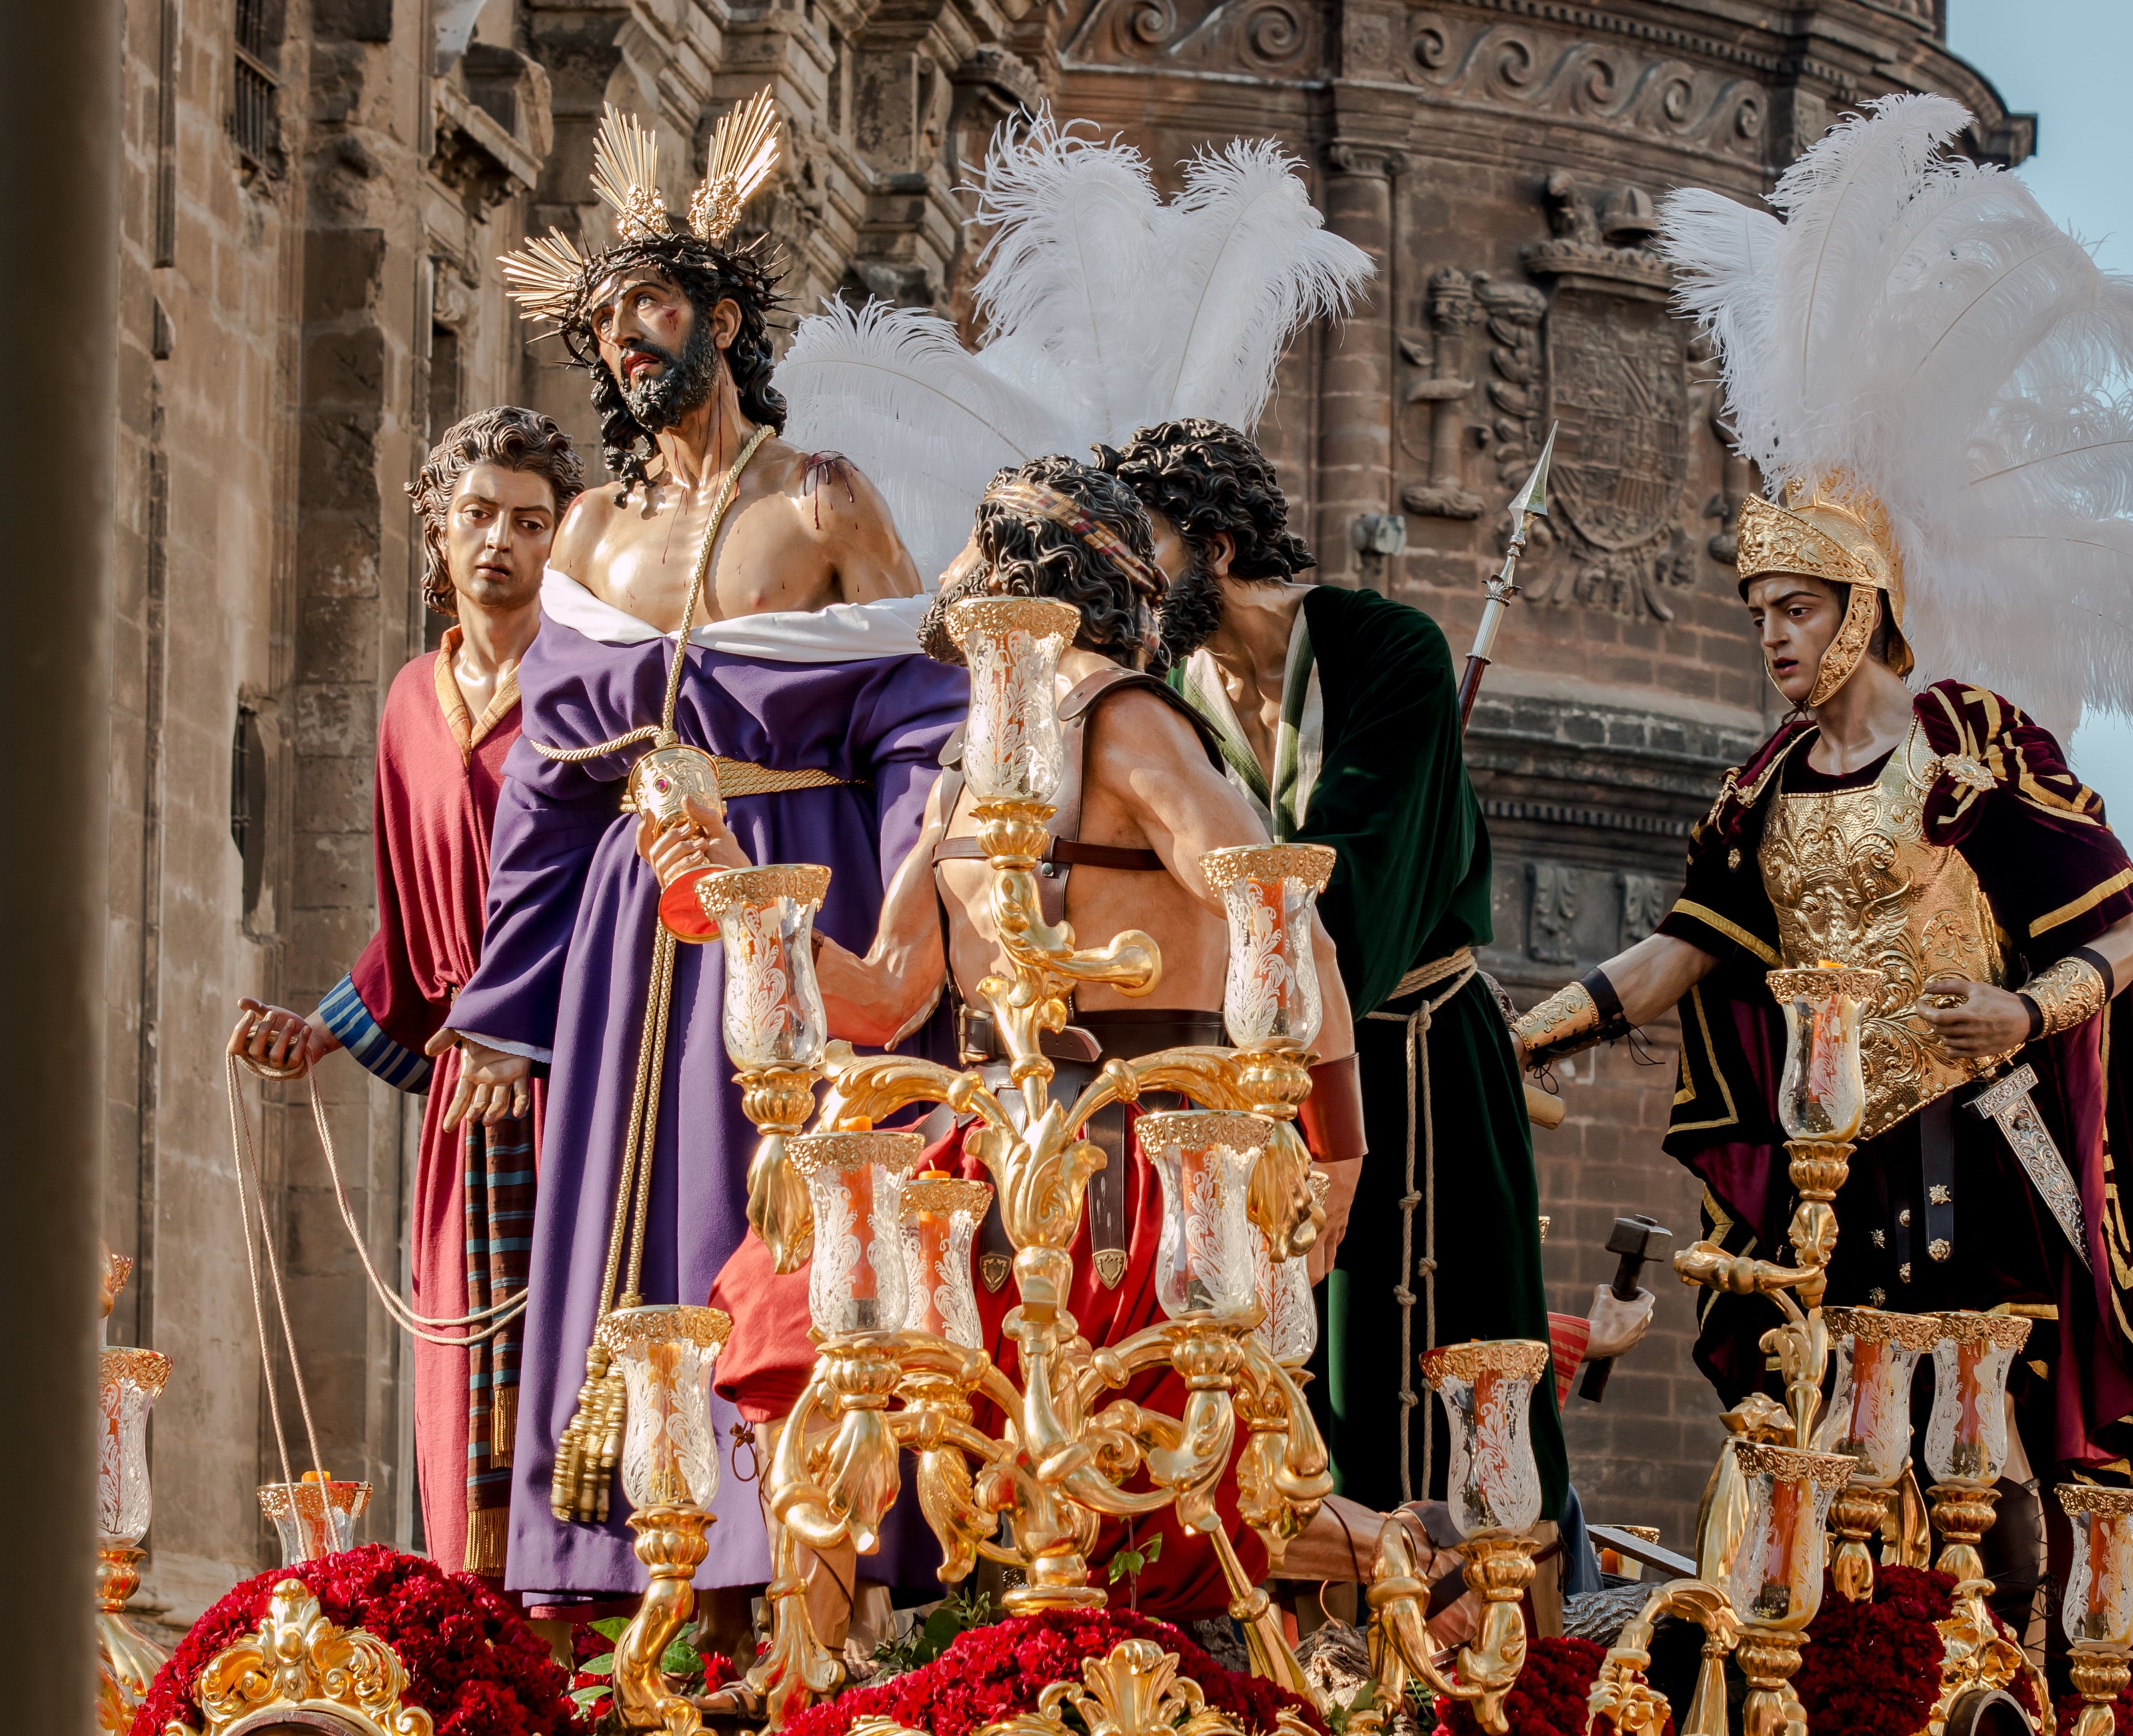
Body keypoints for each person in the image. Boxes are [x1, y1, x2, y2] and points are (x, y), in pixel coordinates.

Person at [1509, 96, 2133, 1676]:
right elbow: (1682, 951)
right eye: (1760, 607)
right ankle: (1842, 1685)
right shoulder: (1758, 781)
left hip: (1979, 1132)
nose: (1773, 635)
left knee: (1984, 1433)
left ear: (1867, 603)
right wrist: (1522, 1037)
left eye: (1799, 606)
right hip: (1830, 1154)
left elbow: (2124, 923)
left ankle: (2015, 1675)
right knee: (1822, 1431)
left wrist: (2019, 1004)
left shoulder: (1971, 749)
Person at [691, 456, 1368, 1621]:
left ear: (1021, 564)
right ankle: (804, 1691)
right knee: (787, 1319)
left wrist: (1333, 1143)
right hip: (990, 1141)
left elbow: (1285, 917)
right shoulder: (974, 752)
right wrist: (732, 888)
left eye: (965, 546)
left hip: (1138, 1148)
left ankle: (1430, 1566)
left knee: (1159, 1498)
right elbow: (884, 995)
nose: (941, 573)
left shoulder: (1130, 718)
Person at [452, 97, 964, 1610]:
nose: (627, 337)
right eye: (608, 316)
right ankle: (628, 1574)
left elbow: (924, 718)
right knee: (628, 1217)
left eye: (655, 305)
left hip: (795, 887)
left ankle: (797, 1558)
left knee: (772, 1212)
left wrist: (912, 931)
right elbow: (548, 785)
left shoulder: (824, 500)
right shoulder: (596, 534)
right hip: (632, 928)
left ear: (726, 317)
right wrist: (501, 1003)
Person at [1097, 421, 1570, 1524]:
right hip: (1248, 1081)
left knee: (1443, 1389)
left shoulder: (1386, 649)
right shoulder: (1162, 692)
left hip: (1415, 1065)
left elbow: (1364, 883)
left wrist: (1258, 999)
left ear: (1215, 547)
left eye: (1147, 548)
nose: (1126, 578)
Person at [230, 405, 585, 1576]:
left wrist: (525, 1025)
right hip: (460, 1103)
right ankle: (481, 1627)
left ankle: (590, 1643)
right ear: (438, 529)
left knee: (573, 1367)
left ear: (559, 541)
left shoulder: (590, 694)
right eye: (478, 514)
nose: (501, 541)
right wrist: (323, 1030)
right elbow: (409, 921)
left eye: (530, 522)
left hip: (573, 1082)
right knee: (462, 1382)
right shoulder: (402, 704)